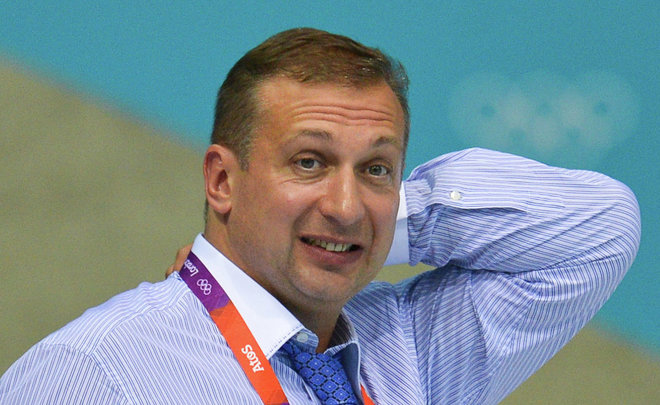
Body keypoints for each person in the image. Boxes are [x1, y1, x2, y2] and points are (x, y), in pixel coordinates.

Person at [0, 28, 641, 404]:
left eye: (375, 168)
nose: (343, 204)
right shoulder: (96, 370)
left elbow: (602, 228)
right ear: (222, 181)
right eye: (309, 162)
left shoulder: (409, 347)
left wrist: (375, 229)